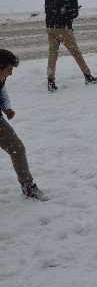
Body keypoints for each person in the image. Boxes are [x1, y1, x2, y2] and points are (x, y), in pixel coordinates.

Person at [0, 50, 47, 201]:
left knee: (17, 149)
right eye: (8, 70)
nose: (10, 74)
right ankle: (27, 186)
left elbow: (2, 92)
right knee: (17, 149)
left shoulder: (1, 78)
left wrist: (7, 108)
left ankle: (27, 186)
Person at [45, 0, 97, 92]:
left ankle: (50, 81)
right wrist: (69, 11)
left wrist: (58, 12)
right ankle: (87, 76)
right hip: (64, 30)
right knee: (76, 53)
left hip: (50, 28)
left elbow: (47, 10)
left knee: (52, 55)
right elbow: (74, 14)